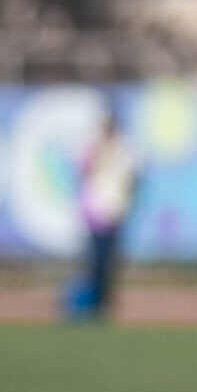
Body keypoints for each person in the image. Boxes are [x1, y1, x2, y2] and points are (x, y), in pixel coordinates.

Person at [76, 112, 139, 319]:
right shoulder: (95, 147)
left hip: (114, 212)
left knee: (107, 261)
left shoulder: (123, 150)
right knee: (94, 260)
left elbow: (131, 176)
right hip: (96, 212)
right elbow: (84, 169)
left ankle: (103, 301)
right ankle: (94, 301)